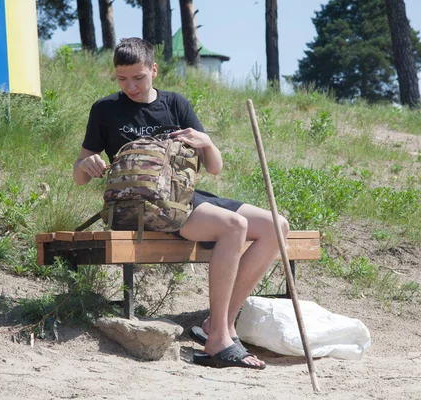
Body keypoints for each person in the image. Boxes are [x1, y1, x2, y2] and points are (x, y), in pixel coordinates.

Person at [73, 38, 289, 370]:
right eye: (122, 78)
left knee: (277, 225)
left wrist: (207, 143)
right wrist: (86, 166)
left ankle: (220, 326)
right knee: (234, 226)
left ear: (154, 70)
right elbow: (80, 175)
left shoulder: (175, 104)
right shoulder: (105, 109)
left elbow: (214, 168)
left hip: (182, 197)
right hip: (139, 206)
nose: (130, 86)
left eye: (139, 77)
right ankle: (219, 337)